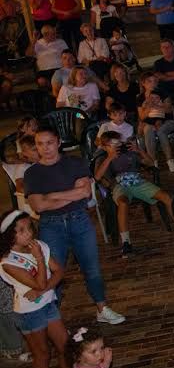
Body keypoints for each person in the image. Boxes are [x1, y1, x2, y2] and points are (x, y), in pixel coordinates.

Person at [24, 127, 124, 325]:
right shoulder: (33, 173)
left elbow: (84, 193)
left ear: (58, 142)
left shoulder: (75, 163)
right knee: (53, 272)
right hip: (50, 225)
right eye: (40, 144)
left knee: (92, 268)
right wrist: (69, 193)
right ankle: (53, 317)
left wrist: (51, 196)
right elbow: (38, 205)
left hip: (79, 219)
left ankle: (102, 308)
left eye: (49, 142)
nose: (45, 148)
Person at [1, 210, 74, 368]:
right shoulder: (8, 262)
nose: (28, 234)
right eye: (21, 231)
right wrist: (39, 259)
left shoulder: (39, 246)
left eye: (29, 228)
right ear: (10, 235)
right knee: (42, 354)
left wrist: (45, 289)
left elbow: (59, 271)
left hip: (48, 304)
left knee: (64, 344)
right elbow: (39, 282)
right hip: (29, 313)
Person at [92, 131, 171, 257]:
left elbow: (151, 163)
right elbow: (97, 177)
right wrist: (109, 158)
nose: (117, 146)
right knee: (123, 203)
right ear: (105, 146)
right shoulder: (102, 158)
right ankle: (126, 242)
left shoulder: (129, 152)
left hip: (138, 182)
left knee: (166, 197)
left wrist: (139, 150)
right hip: (119, 185)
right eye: (113, 144)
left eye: (118, 142)